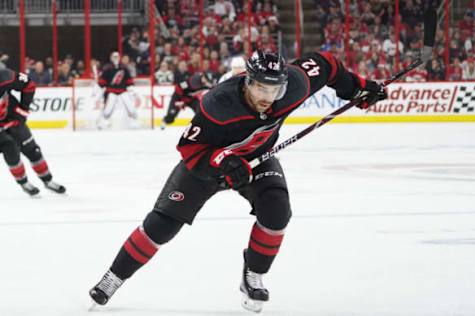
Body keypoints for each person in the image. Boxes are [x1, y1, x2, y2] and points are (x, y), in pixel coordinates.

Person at [89, 50, 387, 312]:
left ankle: (253, 275)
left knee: (277, 211)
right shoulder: (218, 104)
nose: (266, 97)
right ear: (247, 81)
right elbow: (189, 148)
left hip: (257, 158)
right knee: (162, 224)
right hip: (207, 164)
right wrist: (223, 162)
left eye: (273, 90)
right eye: (259, 87)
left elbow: (328, 65)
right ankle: (113, 277)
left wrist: (359, 88)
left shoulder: (295, 85)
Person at [0, 68, 66, 196]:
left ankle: (48, 180)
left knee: (32, 150)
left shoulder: (4, 76)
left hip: (12, 118)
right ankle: (24, 182)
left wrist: (23, 109)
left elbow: (28, 85)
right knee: (11, 150)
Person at [96, 51, 138, 129]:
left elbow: (129, 79)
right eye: (114, 57)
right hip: (111, 91)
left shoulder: (124, 67)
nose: (116, 59)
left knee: (130, 108)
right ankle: (101, 121)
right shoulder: (107, 68)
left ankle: (134, 120)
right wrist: (100, 88)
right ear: (111, 58)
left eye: (117, 57)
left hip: (123, 90)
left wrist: (131, 88)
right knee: (107, 112)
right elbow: (102, 81)